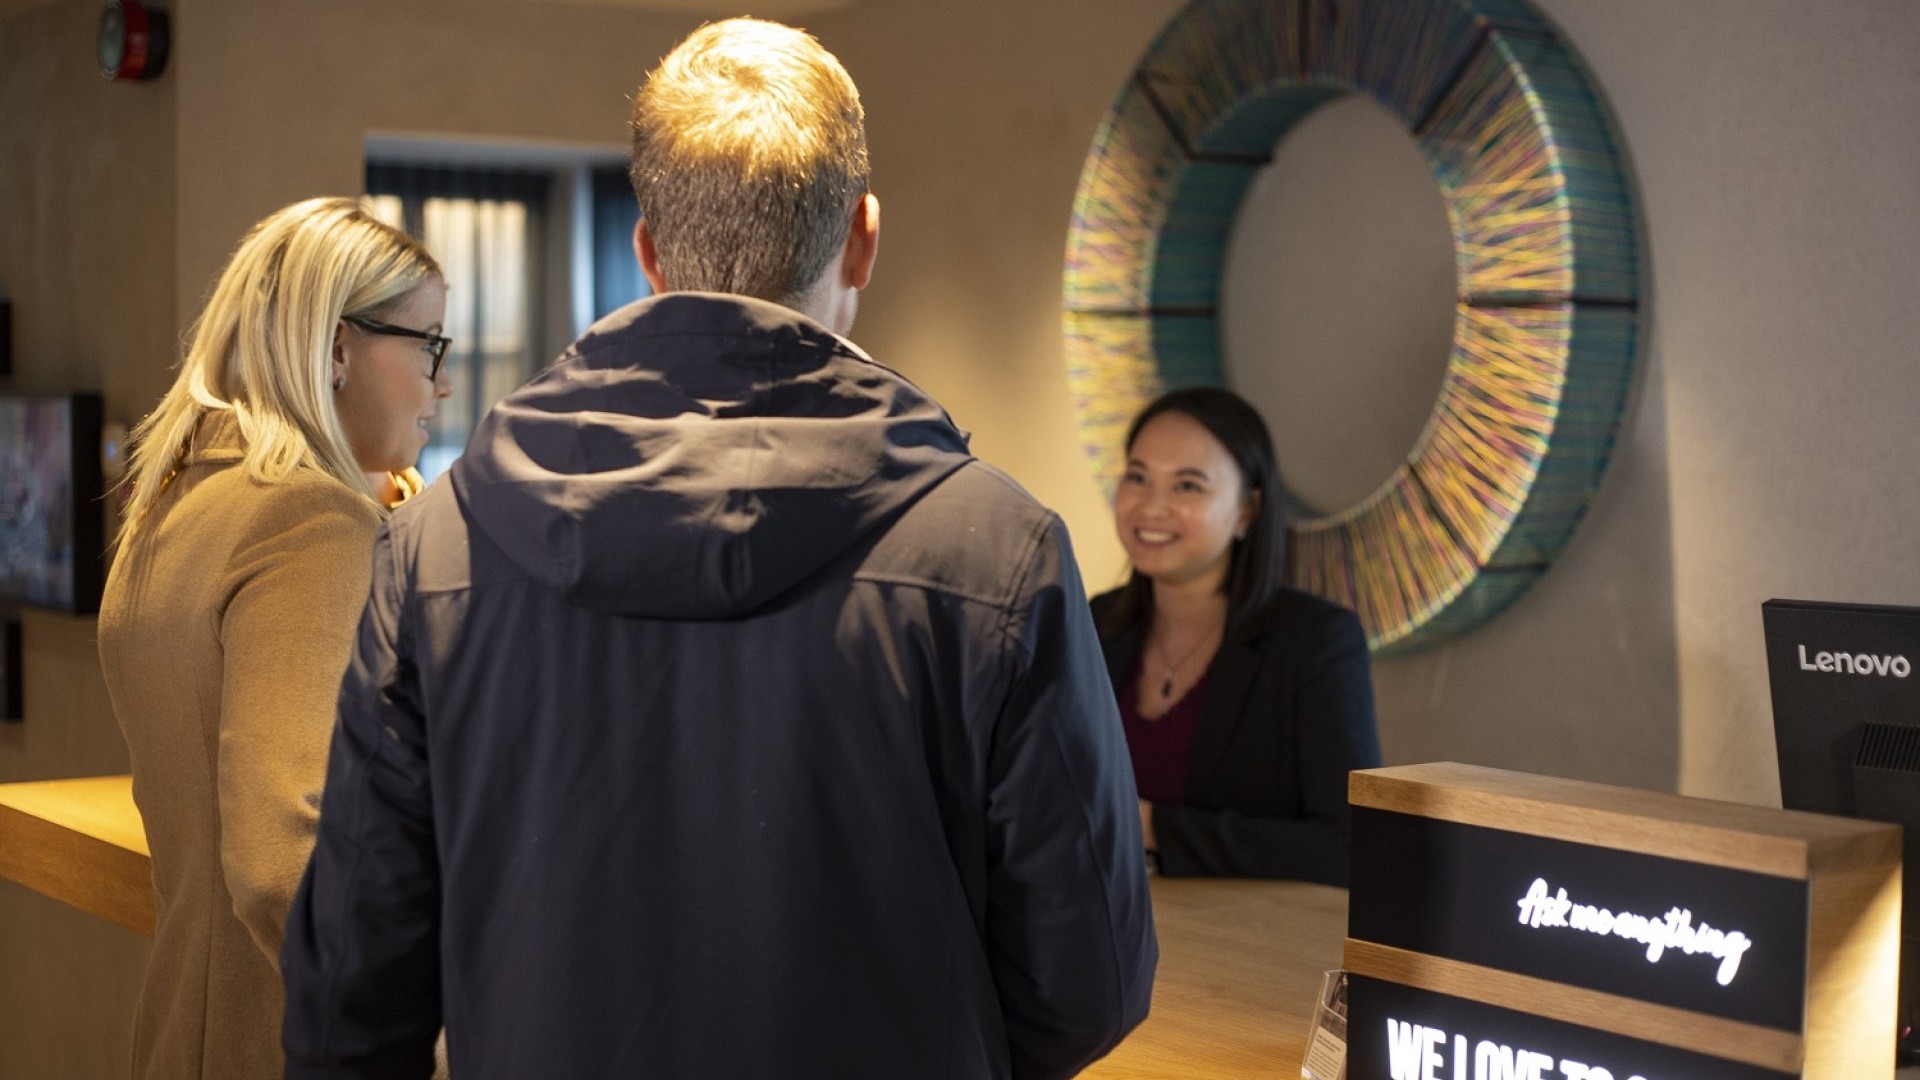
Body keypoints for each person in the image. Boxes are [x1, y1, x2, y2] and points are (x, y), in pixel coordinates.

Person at [280, 19, 1156, 1080]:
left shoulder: (433, 549)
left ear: (648, 250)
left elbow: (350, 999)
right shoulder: (1000, 558)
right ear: (866, 236)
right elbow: (1090, 981)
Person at [97, 196, 450, 1080]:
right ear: (337, 347)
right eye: (429, 344)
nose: (442, 385)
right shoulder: (310, 522)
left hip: (185, 1026)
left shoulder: (174, 505)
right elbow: (281, 857)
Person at [1091, 387, 1381, 884]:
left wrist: (1152, 827)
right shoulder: (1094, 623)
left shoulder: (1315, 642)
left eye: (1188, 486)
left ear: (1247, 510)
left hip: (1241, 946)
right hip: (1098, 931)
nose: (1152, 507)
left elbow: (1349, 846)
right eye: (1138, 477)